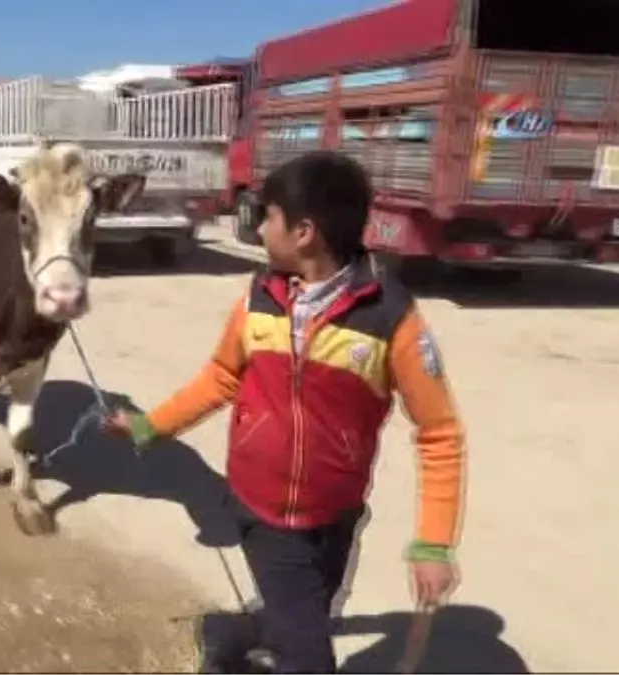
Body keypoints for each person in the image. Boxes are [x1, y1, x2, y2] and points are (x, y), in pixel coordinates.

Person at [103, 150, 467, 673]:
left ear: (304, 233)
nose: (259, 228)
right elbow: (220, 377)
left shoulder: (391, 318)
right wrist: (148, 426)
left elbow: (440, 434)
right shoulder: (257, 300)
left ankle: (227, 644)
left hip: (337, 514)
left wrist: (433, 544)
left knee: (299, 616)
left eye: (268, 216)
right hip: (263, 513)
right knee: (309, 656)